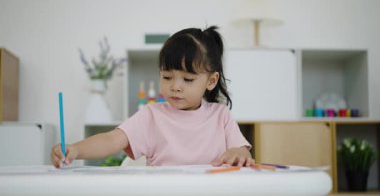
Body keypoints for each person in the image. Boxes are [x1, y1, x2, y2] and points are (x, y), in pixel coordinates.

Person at [51, 26, 254, 168]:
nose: (175, 86)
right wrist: (75, 150)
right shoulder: (152, 115)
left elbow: (242, 152)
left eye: (188, 79)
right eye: (167, 77)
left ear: (211, 81)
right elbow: (112, 139)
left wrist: (240, 155)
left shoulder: (221, 116)